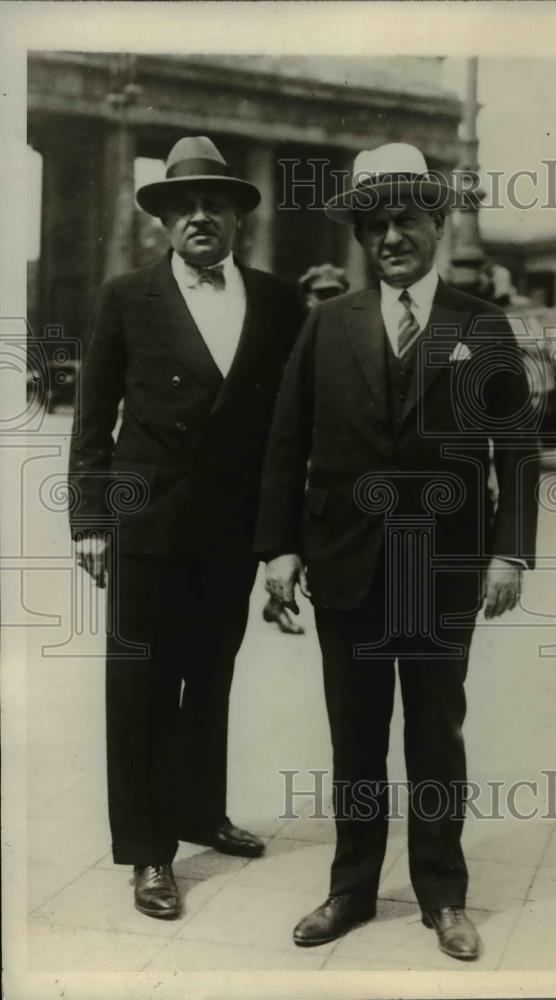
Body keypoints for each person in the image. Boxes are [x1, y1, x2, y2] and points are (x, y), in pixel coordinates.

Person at [255, 143, 539, 961]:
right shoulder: (326, 324)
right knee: (355, 733)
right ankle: (349, 889)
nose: (389, 237)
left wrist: (508, 554)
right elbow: (286, 443)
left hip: (442, 566)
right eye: (374, 224)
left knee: (436, 732)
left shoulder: (481, 325)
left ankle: (444, 895)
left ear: (437, 224)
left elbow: (516, 451)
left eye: (405, 219)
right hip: (347, 562)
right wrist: (279, 550)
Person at [68, 136, 306, 920]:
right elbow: (93, 421)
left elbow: (285, 433)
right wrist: (92, 522)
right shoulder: (125, 297)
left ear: (238, 219)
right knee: (138, 685)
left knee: (210, 677)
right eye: (183, 205)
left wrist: (279, 539)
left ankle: (203, 812)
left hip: (229, 531)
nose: (200, 216)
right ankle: (145, 851)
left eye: (216, 205)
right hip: (146, 526)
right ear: (164, 221)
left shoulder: (277, 303)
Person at [261, 263, 350, 636]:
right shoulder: (289, 337)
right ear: (307, 297)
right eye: (319, 295)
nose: (324, 301)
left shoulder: (351, 333)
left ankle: (277, 602)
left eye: (334, 294)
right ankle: (278, 600)